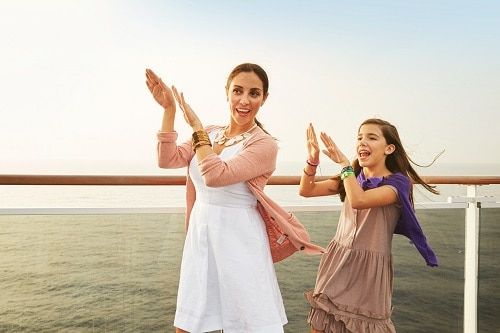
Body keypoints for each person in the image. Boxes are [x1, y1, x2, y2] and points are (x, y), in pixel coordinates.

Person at [145, 63, 324, 333]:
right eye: (237, 91)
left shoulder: (263, 144)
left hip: (240, 240)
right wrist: (169, 111)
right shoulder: (212, 133)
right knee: (189, 323)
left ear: (263, 99)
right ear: (227, 93)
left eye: (254, 93)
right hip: (201, 235)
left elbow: (216, 176)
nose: (244, 100)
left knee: (247, 322)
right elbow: (166, 159)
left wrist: (195, 127)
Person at [299, 119, 439, 333]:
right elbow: (306, 190)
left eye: (372, 138)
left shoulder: (397, 183)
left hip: (369, 271)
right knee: (321, 326)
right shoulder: (353, 177)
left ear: (389, 148)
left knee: (366, 326)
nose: (362, 142)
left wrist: (345, 165)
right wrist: (313, 160)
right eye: (359, 137)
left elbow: (359, 200)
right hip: (337, 261)